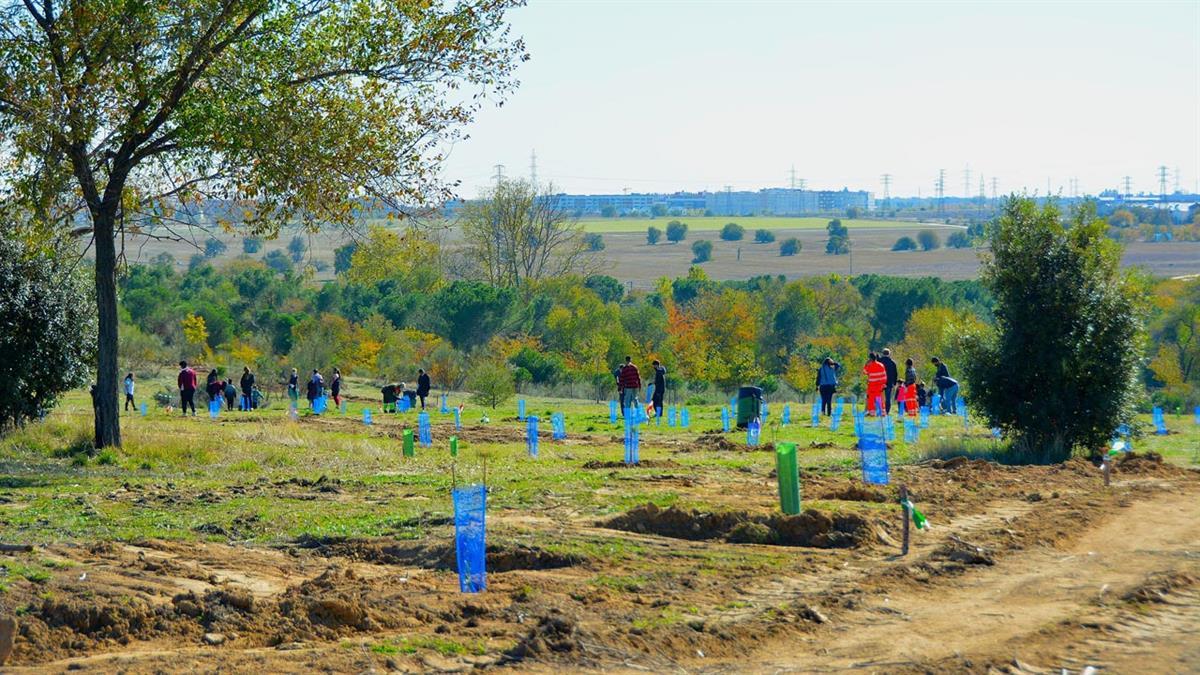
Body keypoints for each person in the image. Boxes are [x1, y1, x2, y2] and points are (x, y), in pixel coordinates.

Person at [879, 348, 898, 415]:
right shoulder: (892, 363)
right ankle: (887, 411)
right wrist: (894, 383)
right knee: (888, 397)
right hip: (889, 383)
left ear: (882, 353)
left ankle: (879, 410)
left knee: (879, 397)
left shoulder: (879, 361)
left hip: (880, 382)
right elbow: (895, 374)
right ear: (889, 354)